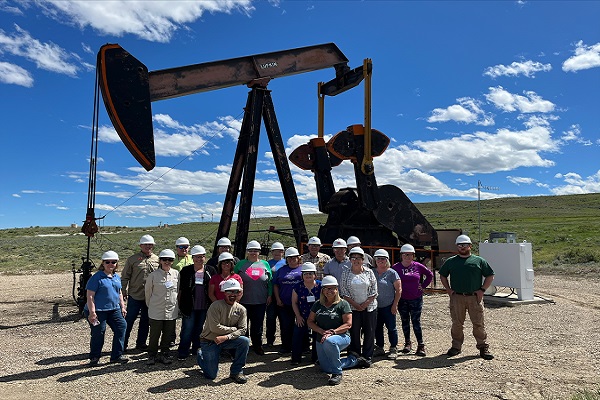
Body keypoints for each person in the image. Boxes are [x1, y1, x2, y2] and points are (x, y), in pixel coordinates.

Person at [438, 234, 495, 360]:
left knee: (478, 323)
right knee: (457, 324)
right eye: (459, 245)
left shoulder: (479, 261)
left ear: (470, 246)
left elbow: (490, 275)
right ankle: (456, 347)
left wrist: (482, 290)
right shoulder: (451, 261)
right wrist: (448, 289)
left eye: (464, 245)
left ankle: (482, 347)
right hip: (457, 297)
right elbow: (442, 275)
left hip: (474, 297)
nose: (462, 247)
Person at [307, 276, 368, 386]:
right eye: (326, 288)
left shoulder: (343, 304)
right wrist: (320, 331)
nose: (329, 291)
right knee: (326, 368)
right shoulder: (317, 304)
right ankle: (354, 360)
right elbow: (310, 321)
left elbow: (348, 324)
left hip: (341, 336)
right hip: (321, 338)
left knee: (330, 342)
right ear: (322, 290)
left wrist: (332, 332)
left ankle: (337, 373)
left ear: (336, 289)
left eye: (332, 288)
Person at [197, 279, 250, 384]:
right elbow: (214, 328)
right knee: (211, 375)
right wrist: (234, 329)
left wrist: (226, 337)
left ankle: (237, 371)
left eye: (236, 291)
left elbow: (243, 329)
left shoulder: (241, 309)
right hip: (209, 341)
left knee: (244, 341)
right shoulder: (215, 306)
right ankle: (200, 355)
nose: (233, 294)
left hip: (225, 340)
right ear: (224, 292)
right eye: (229, 291)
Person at [84, 250, 128, 366]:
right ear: (103, 263)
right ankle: (94, 357)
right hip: (99, 310)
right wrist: (92, 312)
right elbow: (90, 296)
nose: (110, 264)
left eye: (113, 262)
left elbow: (119, 292)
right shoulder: (97, 278)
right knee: (99, 332)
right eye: (107, 262)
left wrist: (122, 307)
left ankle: (116, 356)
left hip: (114, 309)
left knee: (121, 327)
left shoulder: (116, 277)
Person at [392, 243, 434, 356]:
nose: (407, 257)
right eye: (405, 254)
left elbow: (430, 275)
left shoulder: (417, 266)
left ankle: (421, 345)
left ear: (413, 256)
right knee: (404, 321)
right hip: (402, 299)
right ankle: (407, 343)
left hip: (416, 298)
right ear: (401, 255)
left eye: (410, 255)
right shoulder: (396, 267)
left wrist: (423, 286)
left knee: (416, 322)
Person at [177, 245, 217, 360]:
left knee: (200, 328)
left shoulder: (210, 270)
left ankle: (196, 349)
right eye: (197, 257)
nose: (200, 259)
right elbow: (181, 289)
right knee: (187, 328)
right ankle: (183, 351)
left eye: (202, 257)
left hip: (204, 305)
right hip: (189, 305)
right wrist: (179, 305)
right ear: (193, 257)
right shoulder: (186, 271)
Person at [233, 240, 272, 355]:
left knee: (258, 326)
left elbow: (270, 281)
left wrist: (270, 295)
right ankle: (244, 346)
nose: (253, 253)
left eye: (255, 250)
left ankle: (257, 346)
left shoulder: (265, 264)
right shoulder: (240, 264)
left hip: (260, 301)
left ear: (259, 252)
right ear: (247, 251)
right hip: (243, 301)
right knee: (243, 325)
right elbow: (234, 278)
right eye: (251, 250)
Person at [340, 246, 378, 365]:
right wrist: (356, 305)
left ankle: (367, 356)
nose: (356, 260)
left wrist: (365, 304)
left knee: (369, 331)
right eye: (353, 258)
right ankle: (354, 355)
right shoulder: (345, 273)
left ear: (363, 259)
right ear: (350, 259)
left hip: (369, 308)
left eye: (358, 258)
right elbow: (344, 291)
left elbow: (374, 290)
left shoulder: (369, 272)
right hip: (352, 308)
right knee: (354, 332)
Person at [121, 234, 159, 352]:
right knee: (129, 320)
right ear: (141, 245)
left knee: (145, 321)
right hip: (135, 295)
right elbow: (125, 276)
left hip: (150, 296)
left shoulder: (157, 259)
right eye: (145, 244)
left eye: (150, 244)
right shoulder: (132, 259)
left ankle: (141, 343)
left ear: (153, 246)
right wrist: (123, 291)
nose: (148, 246)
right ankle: (122, 344)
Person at [145, 249, 180, 365]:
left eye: (170, 260)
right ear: (160, 261)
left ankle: (164, 354)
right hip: (156, 310)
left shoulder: (176, 274)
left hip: (171, 311)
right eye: (164, 259)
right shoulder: (153, 276)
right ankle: (152, 355)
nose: (167, 262)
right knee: (154, 335)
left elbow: (178, 291)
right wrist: (151, 306)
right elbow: (148, 293)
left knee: (167, 335)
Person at [273, 247, 303, 355]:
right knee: (286, 325)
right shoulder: (281, 270)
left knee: (301, 325)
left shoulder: (303, 269)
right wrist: (277, 298)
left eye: (294, 257)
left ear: (298, 258)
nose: (292, 259)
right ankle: (286, 346)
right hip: (284, 303)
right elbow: (276, 285)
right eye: (289, 258)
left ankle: (302, 346)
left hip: (300, 303)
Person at [372, 249, 402, 357]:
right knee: (377, 327)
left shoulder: (392, 273)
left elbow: (398, 290)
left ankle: (393, 347)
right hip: (375, 306)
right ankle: (379, 347)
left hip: (389, 306)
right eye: (378, 259)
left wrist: (395, 305)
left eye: (383, 259)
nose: (380, 261)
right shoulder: (372, 272)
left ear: (387, 260)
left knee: (391, 328)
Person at [291, 262, 321, 365]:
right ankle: (296, 358)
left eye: (310, 273)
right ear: (302, 275)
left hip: (317, 317)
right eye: (305, 274)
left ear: (315, 275)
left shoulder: (320, 286)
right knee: (297, 335)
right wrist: (298, 316)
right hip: (302, 316)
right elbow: (294, 303)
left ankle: (316, 357)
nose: (308, 276)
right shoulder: (297, 287)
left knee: (318, 336)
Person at [265, 242, 286, 346]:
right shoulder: (267, 263)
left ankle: (285, 341)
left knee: (284, 319)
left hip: (284, 294)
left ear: (283, 252)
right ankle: (269, 340)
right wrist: (269, 294)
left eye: (280, 251)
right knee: (271, 319)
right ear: (272, 252)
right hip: (271, 295)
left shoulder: (287, 263)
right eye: (275, 251)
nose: (278, 253)